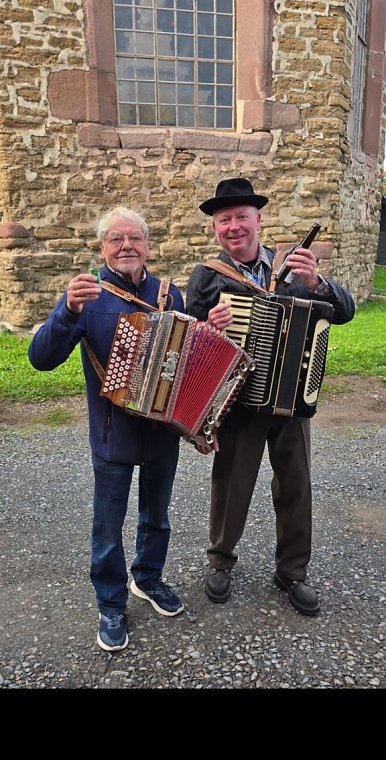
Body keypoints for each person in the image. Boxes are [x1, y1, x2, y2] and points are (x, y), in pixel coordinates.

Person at [186, 178, 355, 616]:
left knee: (296, 485)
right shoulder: (207, 275)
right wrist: (209, 323)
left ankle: (292, 571)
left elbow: (347, 312)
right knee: (231, 484)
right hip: (239, 402)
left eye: (241, 216)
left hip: (291, 399)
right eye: (224, 220)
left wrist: (318, 283)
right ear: (215, 229)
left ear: (258, 220)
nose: (233, 226)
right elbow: (189, 341)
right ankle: (220, 560)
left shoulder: (295, 267)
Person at [28, 206, 185, 652]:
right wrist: (66, 310)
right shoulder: (88, 295)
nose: (126, 246)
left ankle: (148, 579)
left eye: (134, 238)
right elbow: (40, 359)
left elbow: (189, 356)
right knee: (107, 526)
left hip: (161, 435)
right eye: (115, 239)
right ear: (103, 248)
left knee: (157, 517)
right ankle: (111, 602)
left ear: (148, 245)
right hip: (112, 435)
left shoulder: (169, 295)